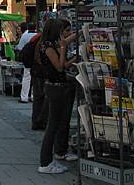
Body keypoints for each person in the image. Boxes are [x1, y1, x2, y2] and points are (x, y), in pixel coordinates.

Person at [37, 19, 77, 174]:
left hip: (55, 87)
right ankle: (45, 162)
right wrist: (63, 48)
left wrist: (77, 34)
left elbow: (66, 42)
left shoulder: (48, 44)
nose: (63, 35)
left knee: (55, 124)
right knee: (52, 125)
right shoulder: (48, 47)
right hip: (55, 88)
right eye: (62, 31)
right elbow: (60, 67)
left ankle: (49, 160)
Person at [16, 22, 38, 103]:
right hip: (36, 60)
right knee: (34, 79)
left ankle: (24, 97)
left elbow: (20, 47)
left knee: (26, 78)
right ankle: (33, 96)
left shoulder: (25, 35)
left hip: (28, 59)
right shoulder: (38, 35)